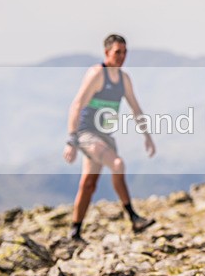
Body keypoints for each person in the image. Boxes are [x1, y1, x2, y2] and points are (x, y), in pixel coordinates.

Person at [63, 34, 156, 242]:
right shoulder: (97, 74)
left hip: (105, 136)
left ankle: (74, 232)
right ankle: (133, 217)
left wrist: (147, 136)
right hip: (87, 134)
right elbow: (76, 105)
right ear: (106, 52)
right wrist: (71, 140)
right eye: (117, 52)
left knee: (88, 184)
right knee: (117, 164)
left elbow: (135, 108)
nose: (122, 56)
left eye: (124, 52)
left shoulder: (124, 79)